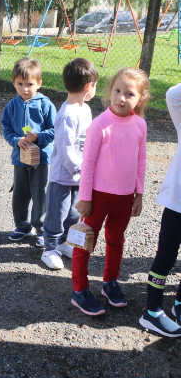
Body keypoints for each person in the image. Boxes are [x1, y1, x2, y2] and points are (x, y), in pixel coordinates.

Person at [72, 67, 149, 316]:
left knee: (116, 241)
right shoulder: (99, 125)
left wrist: (139, 194)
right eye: (117, 91)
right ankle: (79, 289)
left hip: (125, 198)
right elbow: (88, 164)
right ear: (110, 91)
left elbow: (141, 161)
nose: (121, 98)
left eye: (129, 94)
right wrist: (84, 198)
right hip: (97, 196)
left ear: (140, 99)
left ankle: (110, 282)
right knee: (84, 242)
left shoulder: (140, 125)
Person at [41, 58, 98, 270]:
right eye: (95, 85)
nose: (95, 89)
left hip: (79, 177)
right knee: (57, 213)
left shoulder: (86, 110)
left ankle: (65, 243)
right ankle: (49, 248)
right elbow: (65, 150)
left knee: (74, 213)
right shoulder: (67, 114)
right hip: (62, 177)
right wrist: (81, 169)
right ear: (87, 86)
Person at [139, 83, 181, 337]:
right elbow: (173, 95)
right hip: (177, 205)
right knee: (165, 257)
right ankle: (152, 310)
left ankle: (178, 304)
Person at [1, 58, 56, 248]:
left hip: (41, 160)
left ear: (39, 84)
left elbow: (54, 130)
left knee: (40, 193)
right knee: (20, 194)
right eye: (20, 84)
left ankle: (41, 229)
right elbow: (6, 129)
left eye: (30, 84)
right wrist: (17, 141)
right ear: (14, 83)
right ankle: (22, 226)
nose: (25, 88)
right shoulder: (12, 106)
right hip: (19, 159)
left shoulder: (46, 105)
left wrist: (38, 137)